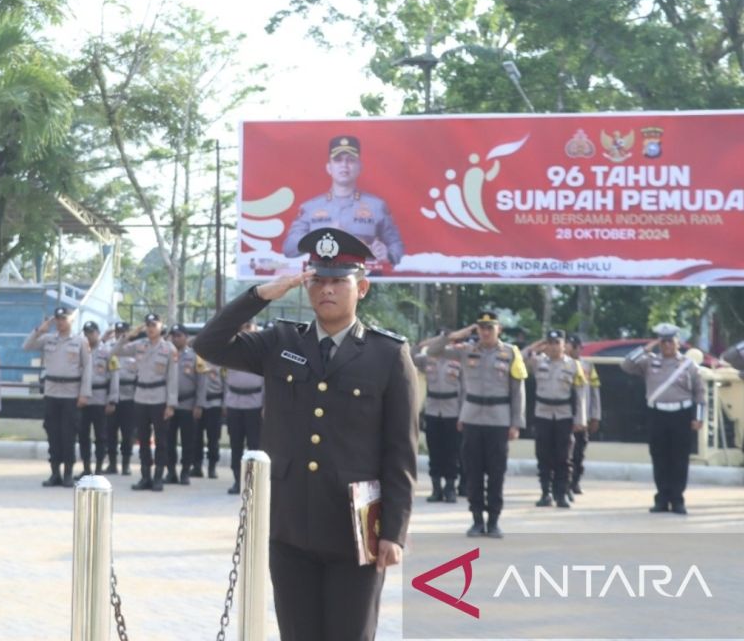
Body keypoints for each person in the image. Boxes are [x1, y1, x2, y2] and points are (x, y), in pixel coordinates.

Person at [193, 228, 417, 641]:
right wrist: (260, 293)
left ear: (361, 288)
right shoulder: (280, 342)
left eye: (338, 281)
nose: (326, 289)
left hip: (358, 529)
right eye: (318, 280)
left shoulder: (387, 355)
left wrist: (393, 533)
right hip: (290, 524)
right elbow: (208, 344)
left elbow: (400, 452)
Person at [426, 311, 526, 538]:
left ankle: (494, 521)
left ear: (498, 329)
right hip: (471, 418)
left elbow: (517, 391)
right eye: (481, 327)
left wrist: (516, 423)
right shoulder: (466, 351)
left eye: (490, 327)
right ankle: (477, 520)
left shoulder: (510, 353)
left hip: (499, 419)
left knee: (496, 472)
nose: (486, 331)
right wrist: (454, 335)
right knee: (473, 471)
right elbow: (433, 352)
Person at [280, 135, 405, 267]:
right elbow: (289, 249)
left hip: (364, 278)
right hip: (322, 278)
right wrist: (320, 238)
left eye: (350, 160)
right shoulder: (310, 208)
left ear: (359, 167)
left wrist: (388, 254)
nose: (344, 165)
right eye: (338, 160)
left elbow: (397, 246)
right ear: (329, 168)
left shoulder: (376, 206)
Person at [620, 323, 706, 514]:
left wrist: (698, 418)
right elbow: (626, 365)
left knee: (679, 459)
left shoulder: (688, 365)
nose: (667, 345)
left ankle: (677, 500)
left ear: (677, 342)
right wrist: (646, 347)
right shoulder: (649, 361)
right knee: (659, 458)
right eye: (663, 341)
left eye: (670, 341)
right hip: (657, 414)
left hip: (681, 416)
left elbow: (700, 393)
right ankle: (662, 498)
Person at [23, 306, 92, 487]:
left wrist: (84, 393)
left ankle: (68, 473)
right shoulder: (47, 339)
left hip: (71, 393)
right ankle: (55, 473)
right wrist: (39, 330)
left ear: (71, 320)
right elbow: (27, 346)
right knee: (52, 433)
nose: (60, 322)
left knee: (68, 434)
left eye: (64, 319)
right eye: (58, 319)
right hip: (52, 392)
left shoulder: (80, 342)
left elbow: (87, 369)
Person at [113, 313, 178, 492]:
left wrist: (171, 404)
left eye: (154, 324)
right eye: (147, 325)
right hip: (141, 396)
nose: (150, 328)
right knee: (142, 439)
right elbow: (116, 351)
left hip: (160, 397)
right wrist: (130, 335)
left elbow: (173, 378)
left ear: (161, 326)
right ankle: (145, 476)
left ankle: (158, 477)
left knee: (161, 440)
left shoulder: (169, 349)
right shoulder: (139, 345)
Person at [523, 330, 586, 509]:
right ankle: (545, 493)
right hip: (543, 414)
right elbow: (520, 357)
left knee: (563, 457)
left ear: (564, 344)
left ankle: (561, 494)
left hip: (564, 415)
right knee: (543, 455)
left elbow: (581, 393)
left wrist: (580, 419)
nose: (553, 346)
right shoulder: (538, 362)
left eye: (556, 342)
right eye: (549, 343)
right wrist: (538, 344)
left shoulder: (573, 366)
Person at [414, 332, 463, 503]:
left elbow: (464, 389)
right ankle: (436, 489)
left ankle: (450, 488)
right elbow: (411, 355)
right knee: (434, 451)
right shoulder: (427, 358)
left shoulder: (458, 359)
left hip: (452, 411)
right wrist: (426, 342)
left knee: (452, 452)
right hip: (433, 410)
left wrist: (463, 414)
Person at [222, 323, 265, 495]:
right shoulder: (232, 350)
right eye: (243, 327)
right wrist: (225, 402)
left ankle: (253, 482)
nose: (246, 330)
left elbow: (268, 381)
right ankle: (237, 480)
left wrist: (266, 405)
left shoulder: (262, 351)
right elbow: (224, 378)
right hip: (234, 402)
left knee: (254, 445)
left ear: (255, 328)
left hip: (254, 403)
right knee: (236, 444)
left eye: (249, 326)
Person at [165, 324, 203, 485]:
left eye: (179, 335)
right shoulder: (167, 354)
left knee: (188, 441)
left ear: (186, 337)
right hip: (170, 405)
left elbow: (202, 382)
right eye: (173, 335)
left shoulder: (195, 356)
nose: (175, 338)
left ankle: (185, 471)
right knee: (168, 441)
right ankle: (171, 472)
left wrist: (199, 404)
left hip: (188, 404)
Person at [79, 320, 117, 477]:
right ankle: (86, 468)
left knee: (101, 435)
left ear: (98, 333)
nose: (89, 336)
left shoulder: (108, 352)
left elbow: (114, 377)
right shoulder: (80, 350)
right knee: (83, 435)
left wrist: (112, 399)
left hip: (100, 398)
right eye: (86, 333)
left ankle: (99, 467)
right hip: (83, 399)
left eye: (92, 332)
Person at [566, 333, 600, 496]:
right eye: (570, 346)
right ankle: (561, 483)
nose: (573, 350)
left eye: (575, 347)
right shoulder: (561, 364)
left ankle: (575, 482)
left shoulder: (588, 366)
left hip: (583, 417)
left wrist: (595, 416)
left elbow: (594, 393)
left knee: (579, 452)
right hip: (563, 416)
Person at [105, 321, 136, 476]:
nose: (120, 334)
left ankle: (126, 464)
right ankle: (112, 464)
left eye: (124, 331)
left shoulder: (136, 350)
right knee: (110, 432)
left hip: (130, 398)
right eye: (118, 331)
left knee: (127, 433)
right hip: (112, 397)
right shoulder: (110, 350)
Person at [193, 357, 225, 479]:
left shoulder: (220, 360)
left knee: (213, 437)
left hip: (214, 403)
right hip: (198, 404)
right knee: (196, 437)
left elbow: (225, 381)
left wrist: (224, 404)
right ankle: (197, 466)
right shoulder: (198, 359)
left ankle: (212, 467)